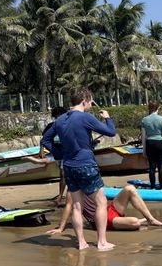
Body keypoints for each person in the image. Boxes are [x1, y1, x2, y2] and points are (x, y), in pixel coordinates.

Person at [40, 87, 117, 251]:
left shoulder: (60, 120)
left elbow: (45, 139)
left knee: (76, 205)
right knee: (101, 202)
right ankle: (102, 242)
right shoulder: (85, 117)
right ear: (84, 101)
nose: (90, 105)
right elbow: (111, 132)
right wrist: (107, 118)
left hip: (68, 165)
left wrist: (59, 152)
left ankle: (81, 243)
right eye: (90, 102)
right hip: (86, 164)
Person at [46, 183, 162, 235]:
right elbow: (68, 206)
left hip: (109, 210)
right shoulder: (73, 189)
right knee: (134, 222)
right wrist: (61, 228)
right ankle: (140, 221)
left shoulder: (91, 179)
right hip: (101, 220)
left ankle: (150, 219)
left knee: (130, 189)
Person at [140, 101, 162, 189]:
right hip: (160, 143)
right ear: (158, 108)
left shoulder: (144, 120)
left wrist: (144, 149)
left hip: (150, 143)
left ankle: (152, 187)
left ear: (149, 108)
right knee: (161, 167)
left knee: (152, 167)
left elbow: (143, 136)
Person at [40, 106, 67, 207]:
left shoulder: (67, 125)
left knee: (64, 174)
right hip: (57, 153)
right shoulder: (51, 126)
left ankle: (60, 196)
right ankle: (62, 196)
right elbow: (44, 139)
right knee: (63, 175)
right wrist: (41, 150)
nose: (57, 119)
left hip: (66, 153)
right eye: (56, 117)